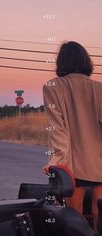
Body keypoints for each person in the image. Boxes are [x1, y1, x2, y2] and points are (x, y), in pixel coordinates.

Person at [43, 41, 102, 230]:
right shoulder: (99, 88)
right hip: (99, 161)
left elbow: (57, 129)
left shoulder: (52, 86)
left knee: (74, 216)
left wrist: (57, 162)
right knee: (99, 213)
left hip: (72, 164)